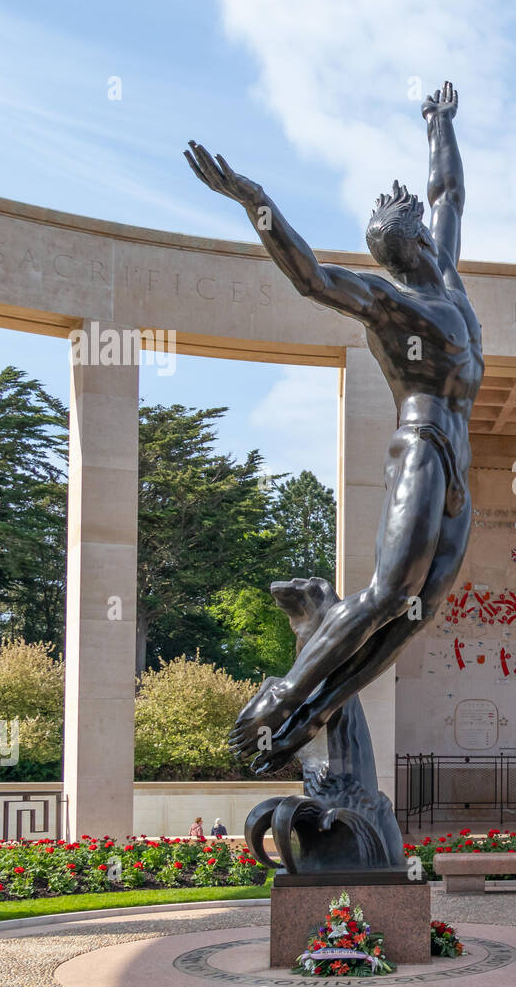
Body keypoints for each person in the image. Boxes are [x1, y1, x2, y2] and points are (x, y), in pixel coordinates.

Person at [185, 81, 483, 772]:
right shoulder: (393, 303)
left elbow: (449, 197)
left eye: (402, 249)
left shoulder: (447, 282)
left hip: (458, 460)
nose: (402, 260)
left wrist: (439, 123)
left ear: (416, 245)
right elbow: (313, 278)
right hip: (422, 446)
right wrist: (254, 201)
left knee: (419, 608)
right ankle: (282, 693)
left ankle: (313, 710)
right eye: (394, 256)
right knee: (387, 593)